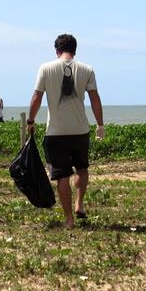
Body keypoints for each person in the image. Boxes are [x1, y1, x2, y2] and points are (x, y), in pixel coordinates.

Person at [27, 34, 104, 229]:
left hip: (55, 132)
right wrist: (100, 124)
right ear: (75, 50)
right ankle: (79, 203)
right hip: (80, 130)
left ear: (57, 50)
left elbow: (37, 96)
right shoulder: (87, 69)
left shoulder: (45, 68)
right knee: (82, 168)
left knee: (62, 175)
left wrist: (31, 120)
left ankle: (69, 219)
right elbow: (95, 98)